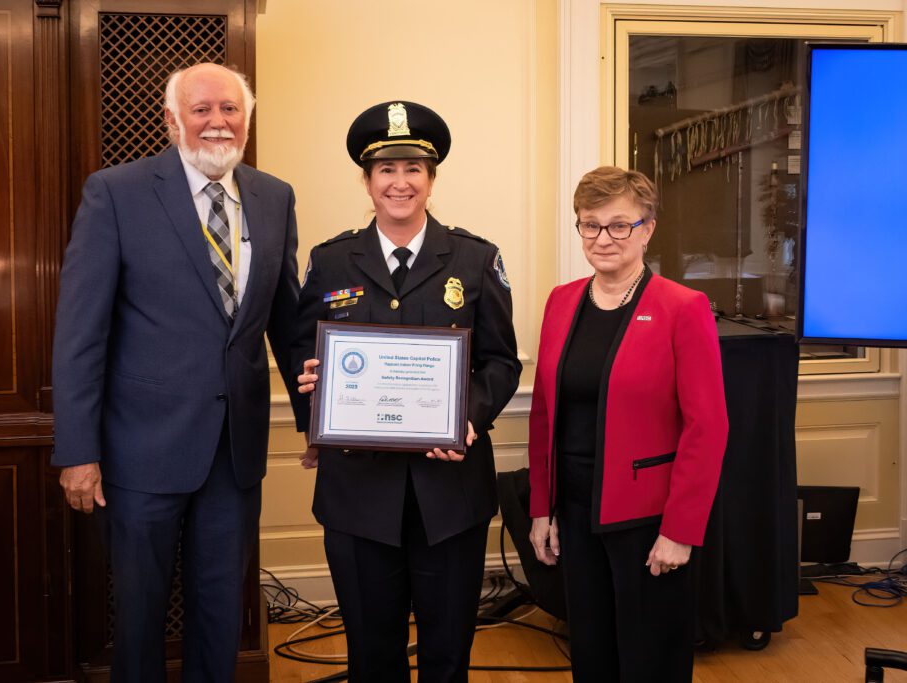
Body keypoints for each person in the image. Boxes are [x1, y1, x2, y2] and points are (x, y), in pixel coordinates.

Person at [52, 63, 301, 682]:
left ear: (247, 119)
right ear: (171, 120)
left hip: (235, 452)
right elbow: (81, 334)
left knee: (221, 608)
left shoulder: (275, 196)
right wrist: (77, 451)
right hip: (142, 450)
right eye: (201, 109)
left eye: (230, 109)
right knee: (139, 614)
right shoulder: (116, 193)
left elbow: (288, 324)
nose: (218, 122)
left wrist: (319, 423)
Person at [292, 101, 522, 682]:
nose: (400, 183)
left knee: (447, 655)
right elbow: (303, 353)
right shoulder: (329, 260)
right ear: (367, 182)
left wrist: (466, 416)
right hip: (358, 493)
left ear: (432, 178)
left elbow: (500, 362)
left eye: (413, 169)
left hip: (449, 494)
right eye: (386, 171)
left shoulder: (475, 258)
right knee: (372, 654)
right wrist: (315, 401)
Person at [527, 166, 728, 682]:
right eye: (590, 225)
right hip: (574, 508)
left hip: (647, 518)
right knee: (591, 653)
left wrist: (680, 531)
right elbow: (546, 413)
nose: (603, 238)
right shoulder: (561, 301)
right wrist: (541, 509)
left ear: (648, 228)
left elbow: (707, 427)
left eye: (620, 225)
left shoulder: (683, 308)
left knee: (649, 659)